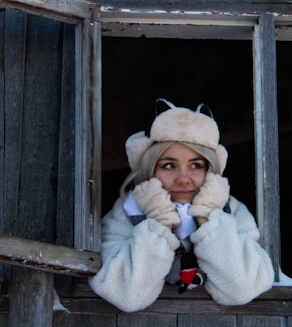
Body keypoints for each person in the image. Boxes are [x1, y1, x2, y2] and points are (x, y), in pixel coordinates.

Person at [90, 99, 275, 312]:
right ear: (150, 171)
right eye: (169, 166)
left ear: (211, 171)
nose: (184, 179)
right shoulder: (127, 212)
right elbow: (127, 296)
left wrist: (209, 222)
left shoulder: (231, 212)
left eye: (196, 165)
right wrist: (159, 227)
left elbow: (242, 288)